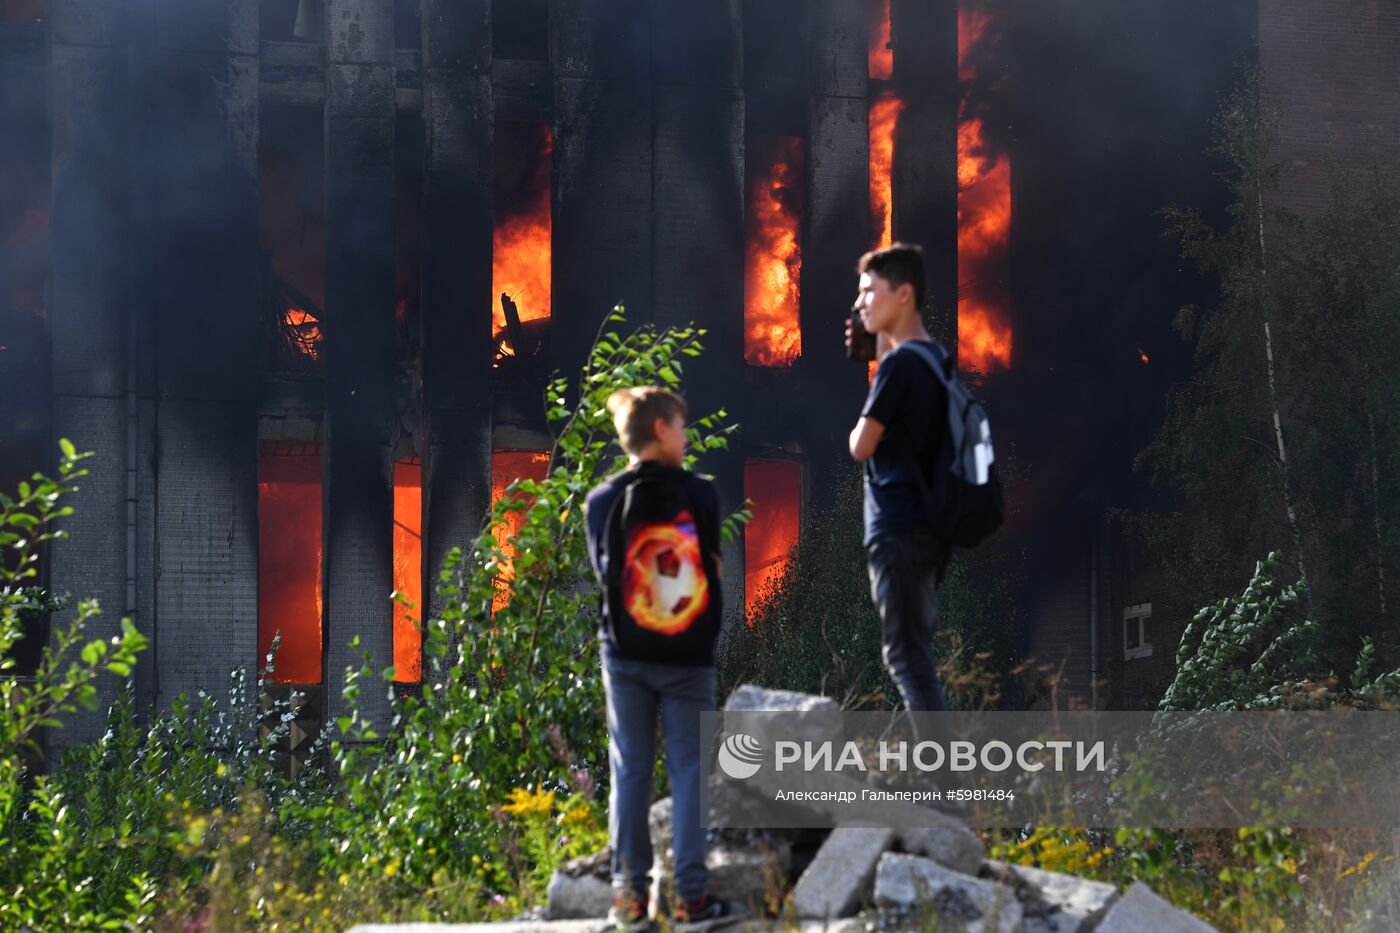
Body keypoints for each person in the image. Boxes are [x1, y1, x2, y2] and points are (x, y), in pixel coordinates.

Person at [584, 386, 740, 933]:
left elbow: (606, 579)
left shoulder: (601, 500)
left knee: (630, 768)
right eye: (680, 424)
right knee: (690, 770)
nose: (686, 433)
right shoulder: (702, 493)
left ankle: (630, 901)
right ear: (659, 430)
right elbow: (712, 568)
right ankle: (693, 901)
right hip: (689, 657)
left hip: (624, 654)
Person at [845, 243, 953, 715]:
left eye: (870, 291)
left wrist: (879, 366)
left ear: (904, 294)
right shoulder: (935, 359)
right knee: (915, 653)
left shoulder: (900, 366)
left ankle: (939, 784)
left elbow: (861, 445)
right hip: (928, 526)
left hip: (898, 526)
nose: (861, 303)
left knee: (907, 658)